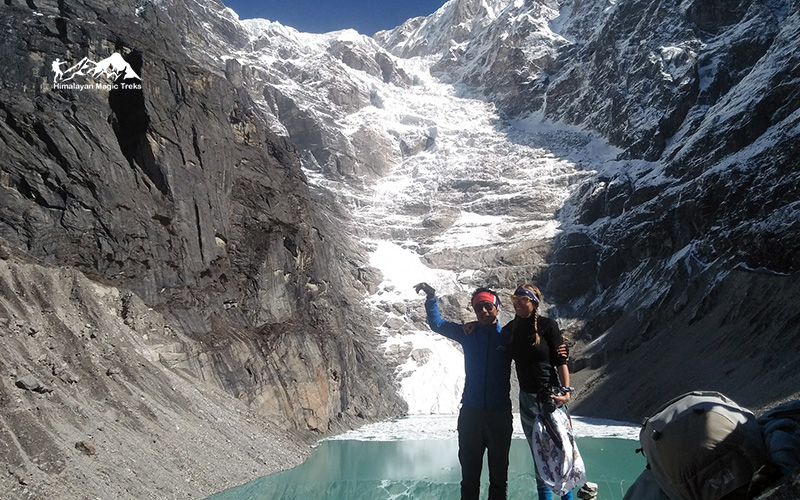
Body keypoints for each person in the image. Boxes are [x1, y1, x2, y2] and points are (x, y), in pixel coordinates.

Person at [414, 282, 513, 500]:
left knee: (499, 478)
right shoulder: (467, 333)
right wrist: (432, 297)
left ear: (498, 307)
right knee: (469, 477)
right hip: (471, 415)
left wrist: (560, 348)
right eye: (479, 308)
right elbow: (437, 324)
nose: (484, 312)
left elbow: (534, 348)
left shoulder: (508, 337)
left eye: (488, 306)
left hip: (499, 416)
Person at [506, 284, 583, 500]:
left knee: (562, 452)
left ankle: (566, 497)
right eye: (515, 301)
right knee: (538, 455)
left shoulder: (548, 326)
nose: (518, 305)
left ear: (534, 302)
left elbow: (561, 361)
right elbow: (494, 338)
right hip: (527, 399)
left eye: (523, 301)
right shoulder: (511, 329)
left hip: (552, 397)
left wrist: (566, 393)